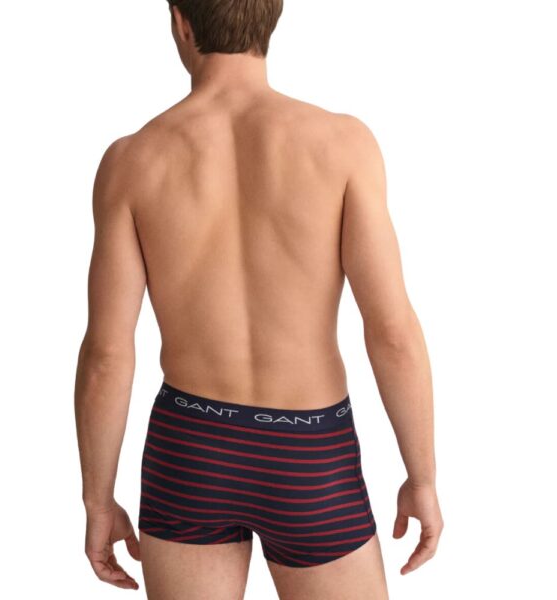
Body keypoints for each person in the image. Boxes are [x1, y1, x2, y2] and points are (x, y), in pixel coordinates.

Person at [74, 0, 444, 597]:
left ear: (181, 22)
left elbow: (107, 355)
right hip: (310, 453)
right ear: (273, 16)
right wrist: (421, 477)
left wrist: (97, 499)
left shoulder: (132, 160)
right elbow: (392, 333)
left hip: (190, 448)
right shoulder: (342, 145)